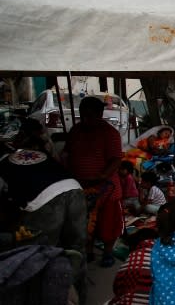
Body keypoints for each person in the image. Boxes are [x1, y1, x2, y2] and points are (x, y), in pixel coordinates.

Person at [0, 131, 87, 254]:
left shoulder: (3, 165)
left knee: (40, 251)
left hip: (43, 197)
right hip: (74, 186)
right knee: (75, 245)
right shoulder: (30, 153)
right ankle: (76, 270)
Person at [62, 96, 124, 267]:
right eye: (83, 115)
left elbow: (116, 160)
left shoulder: (110, 133)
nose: (86, 119)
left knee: (108, 224)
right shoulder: (75, 131)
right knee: (83, 223)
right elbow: (67, 153)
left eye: (90, 115)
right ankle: (88, 251)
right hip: (80, 187)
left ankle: (108, 252)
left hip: (106, 189)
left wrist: (102, 176)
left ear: (99, 114)